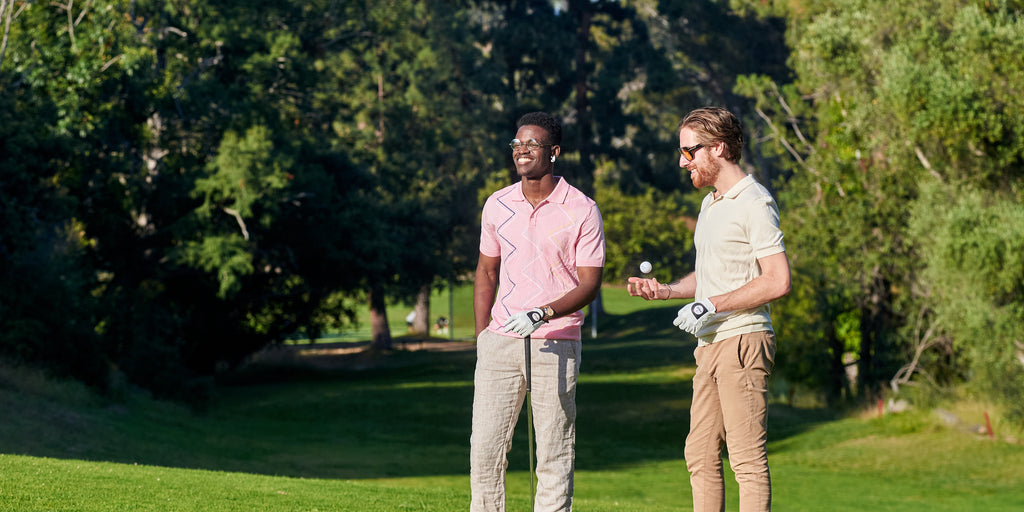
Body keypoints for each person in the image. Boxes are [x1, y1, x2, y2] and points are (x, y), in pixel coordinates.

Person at [627, 107, 790, 512]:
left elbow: (777, 280)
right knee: (699, 455)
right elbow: (710, 278)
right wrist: (664, 291)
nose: (683, 161)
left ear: (718, 147)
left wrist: (712, 305)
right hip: (711, 343)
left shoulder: (754, 201)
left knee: (746, 461)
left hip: (743, 339)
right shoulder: (711, 205)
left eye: (690, 151)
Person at [472, 111, 605, 512]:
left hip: (556, 343)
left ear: (554, 152)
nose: (521, 150)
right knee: (485, 449)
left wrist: (542, 313)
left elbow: (589, 284)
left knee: (552, 450)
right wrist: (484, 336)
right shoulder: (497, 204)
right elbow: (486, 272)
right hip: (501, 343)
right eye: (516, 144)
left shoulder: (582, 209)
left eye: (531, 144)